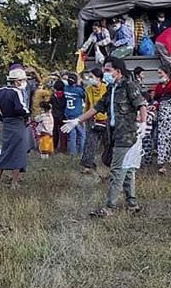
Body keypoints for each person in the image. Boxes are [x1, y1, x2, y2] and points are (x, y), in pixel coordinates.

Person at [62, 58, 147, 216]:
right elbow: (96, 108)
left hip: (127, 134)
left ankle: (109, 207)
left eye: (108, 70)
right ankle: (132, 204)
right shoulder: (111, 89)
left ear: (118, 71)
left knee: (117, 170)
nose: (105, 73)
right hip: (114, 134)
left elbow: (141, 104)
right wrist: (77, 120)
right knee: (127, 169)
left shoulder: (128, 86)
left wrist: (143, 122)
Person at [0, 68, 32, 187]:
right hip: (17, 123)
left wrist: (0, 117)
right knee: (18, 152)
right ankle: (14, 182)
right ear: (17, 82)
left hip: (6, 123)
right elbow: (19, 108)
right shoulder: (16, 92)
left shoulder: (0, 91)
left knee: (5, 150)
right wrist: (27, 115)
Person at [80, 68, 108, 173]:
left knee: (107, 143)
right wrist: (84, 117)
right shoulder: (88, 89)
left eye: (92, 77)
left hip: (106, 120)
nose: (89, 79)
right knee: (90, 142)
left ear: (99, 78)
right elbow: (87, 105)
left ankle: (108, 164)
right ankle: (87, 166)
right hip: (92, 119)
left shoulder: (106, 88)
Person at [64, 73, 86, 158]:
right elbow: (84, 95)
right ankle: (82, 151)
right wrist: (80, 84)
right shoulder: (78, 90)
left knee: (72, 134)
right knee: (82, 134)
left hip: (68, 113)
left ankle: (72, 153)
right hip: (77, 114)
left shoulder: (66, 88)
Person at [49, 80, 67, 153]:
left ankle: (54, 146)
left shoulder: (53, 96)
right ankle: (63, 148)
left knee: (55, 132)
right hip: (63, 115)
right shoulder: (65, 95)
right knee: (64, 133)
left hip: (55, 116)